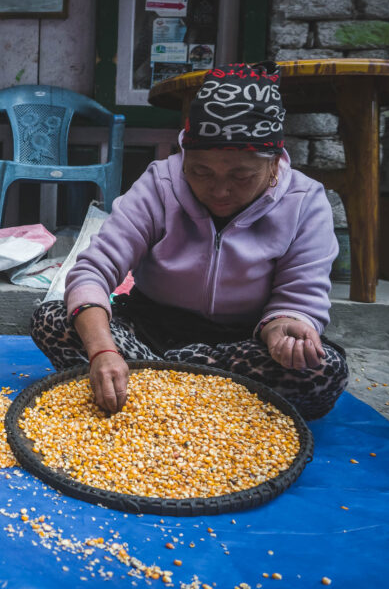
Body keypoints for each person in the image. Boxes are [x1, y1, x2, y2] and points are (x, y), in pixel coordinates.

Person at [30, 61, 348, 421]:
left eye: (242, 176)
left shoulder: (305, 201)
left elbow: (299, 298)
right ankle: (204, 395)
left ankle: (156, 382)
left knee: (323, 371)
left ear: (274, 164)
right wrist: (104, 350)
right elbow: (93, 271)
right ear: (183, 158)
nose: (220, 190)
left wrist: (285, 328)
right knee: (53, 319)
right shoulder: (159, 184)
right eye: (200, 172)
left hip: (237, 347)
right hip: (147, 332)